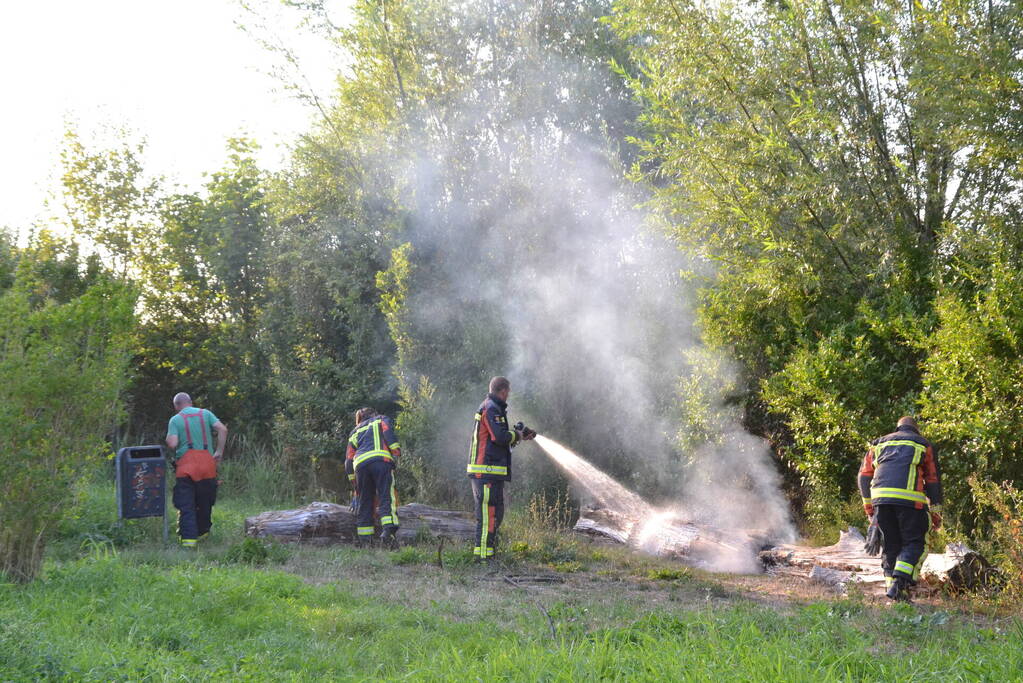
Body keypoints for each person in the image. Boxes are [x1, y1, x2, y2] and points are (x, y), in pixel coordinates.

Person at [858, 416, 943, 601]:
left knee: (890, 547)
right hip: (911, 502)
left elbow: (864, 477)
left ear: (898, 428)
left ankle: (897, 596)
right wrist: (936, 511)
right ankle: (898, 585)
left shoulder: (878, 444)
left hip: (881, 502)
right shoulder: (922, 444)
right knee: (916, 544)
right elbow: (933, 480)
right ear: (916, 429)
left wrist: (869, 508)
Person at [467, 376, 535, 561]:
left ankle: (490, 554)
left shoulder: (495, 409)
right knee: (487, 516)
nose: (509, 395)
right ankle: (482, 558)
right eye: (508, 392)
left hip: (492, 473)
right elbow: (499, 437)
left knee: (496, 514)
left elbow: (501, 442)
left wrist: (520, 436)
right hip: (485, 472)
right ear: (503, 391)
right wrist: (517, 434)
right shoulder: (490, 408)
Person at [165, 392, 227, 549]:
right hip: (208, 466)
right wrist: (219, 451)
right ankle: (203, 533)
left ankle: (188, 542)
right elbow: (223, 429)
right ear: (191, 402)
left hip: (186, 469)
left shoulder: (176, 419)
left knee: (186, 505)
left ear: (176, 406)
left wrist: (169, 439)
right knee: (205, 502)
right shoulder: (205, 414)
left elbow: (172, 444)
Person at [345, 408, 402, 543]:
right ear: (374, 414)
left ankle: (365, 539)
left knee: (364, 501)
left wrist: (354, 483)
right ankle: (389, 533)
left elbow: (348, 460)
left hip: (360, 466)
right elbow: (388, 433)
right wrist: (396, 450)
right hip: (381, 461)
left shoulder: (355, 430)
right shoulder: (381, 419)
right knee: (386, 496)